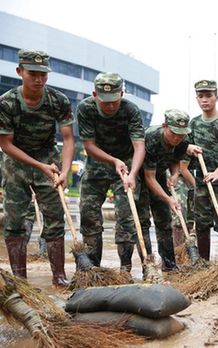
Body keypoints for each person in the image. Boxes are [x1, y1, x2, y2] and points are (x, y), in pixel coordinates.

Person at [0, 49, 74, 287]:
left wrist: (64, 170)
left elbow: (68, 138)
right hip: (16, 160)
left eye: (43, 74)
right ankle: (20, 280)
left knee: (55, 216)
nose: (39, 79)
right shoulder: (7, 102)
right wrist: (39, 166)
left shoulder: (57, 100)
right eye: (33, 73)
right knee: (15, 220)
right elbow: (5, 144)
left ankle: (59, 276)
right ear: (20, 71)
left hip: (48, 157)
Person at [76, 72, 146, 273]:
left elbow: (139, 146)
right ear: (95, 94)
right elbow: (88, 146)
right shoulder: (86, 108)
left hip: (126, 163)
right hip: (98, 162)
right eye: (105, 102)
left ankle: (125, 269)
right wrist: (112, 160)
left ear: (122, 94)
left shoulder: (131, 110)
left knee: (126, 215)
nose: (109, 106)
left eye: (114, 101)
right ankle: (91, 269)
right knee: (88, 211)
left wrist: (132, 173)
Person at [140, 109, 202, 272]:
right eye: (174, 133)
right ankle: (148, 266)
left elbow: (175, 160)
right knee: (142, 222)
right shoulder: (151, 137)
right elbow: (149, 177)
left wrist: (174, 174)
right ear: (165, 126)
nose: (177, 138)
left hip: (159, 173)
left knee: (164, 220)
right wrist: (169, 199)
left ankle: (169, 264)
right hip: (139, 175)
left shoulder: (183, 138)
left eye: (181, 134)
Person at [185, 79, 218, 259]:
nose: (205, 100)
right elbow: (185, 148)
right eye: (201, 96)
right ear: (196, 98)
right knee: (202, 223)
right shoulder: (194, 123)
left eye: (208, 96)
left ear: (216, 97)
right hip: (202, 180)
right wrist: (188, 148)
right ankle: (203, 264)